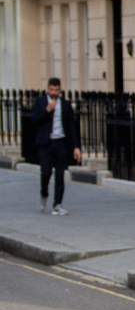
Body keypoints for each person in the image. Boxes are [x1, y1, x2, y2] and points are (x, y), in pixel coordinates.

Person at [30, 78, 82, 216]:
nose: (54, 93)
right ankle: (44, 193)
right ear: (47, 88)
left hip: (61, 143)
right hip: (45, 143)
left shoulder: (65, 105)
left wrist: (76, 147)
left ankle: (57, 204)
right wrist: (47, 110)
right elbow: (34, 121)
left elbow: (71, 126)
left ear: (60, 89)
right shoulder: (40, 102)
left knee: (60, 174)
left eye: (56, 90)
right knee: (46, 173)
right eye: (51, 90)